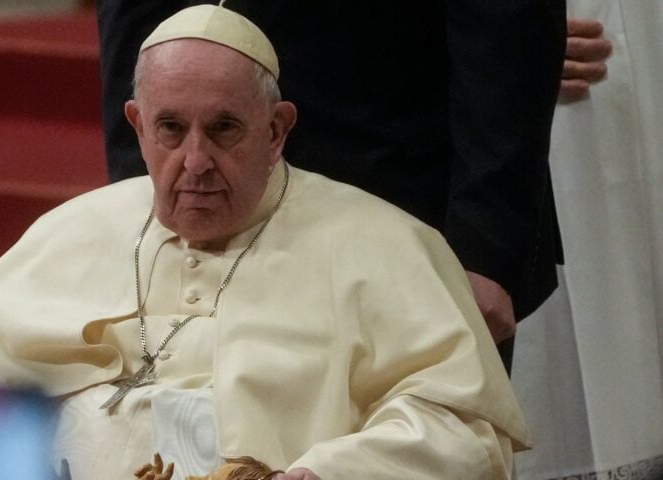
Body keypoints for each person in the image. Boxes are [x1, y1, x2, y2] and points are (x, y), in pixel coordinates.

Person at [0, 5, 530, 479]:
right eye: (170, 129)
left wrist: (330, 475)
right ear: (136, 124)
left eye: (223, 129)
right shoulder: (69, 234)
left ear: (276, 129)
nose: (195, 161)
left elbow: (463, 434)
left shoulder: (386, 244)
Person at [97, 0, 569, 372]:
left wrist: (486, 245)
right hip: (208, 195)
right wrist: (145, 192)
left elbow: (508, 26)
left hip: (404, 188)